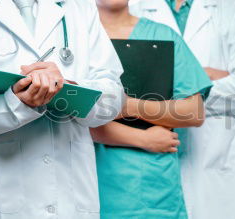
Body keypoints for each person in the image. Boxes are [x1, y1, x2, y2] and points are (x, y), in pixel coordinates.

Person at [0, 0, 124, 217]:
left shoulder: (79, 6)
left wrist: (69, 89)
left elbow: (113, 97)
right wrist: (16, 104)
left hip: (71, 196)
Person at [131, 0, 235, 218]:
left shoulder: (230, 10)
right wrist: (203, 78)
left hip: (217, 153)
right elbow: (128, 86)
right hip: (154, 152)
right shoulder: (135, 10)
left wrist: (168, 89)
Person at [91, 0, 212, 218]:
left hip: (151, 186)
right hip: (90, 178)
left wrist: (126, 105)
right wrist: (141, 138)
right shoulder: (74, 38)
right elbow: (66, 114)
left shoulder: (163, 36)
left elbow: (194, 111)